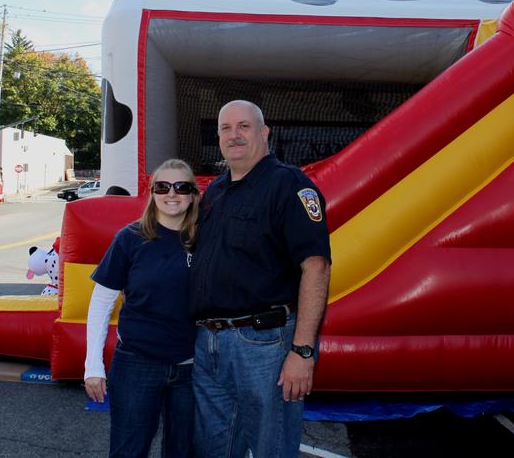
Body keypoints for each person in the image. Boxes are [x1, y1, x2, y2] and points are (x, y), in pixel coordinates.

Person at [190, 100, 332, 458]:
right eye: (226, 128)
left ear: (264, 132)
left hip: (264, 345)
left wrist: (302, 351)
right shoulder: (216, 193)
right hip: (209, 344)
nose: (234, 135)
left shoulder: (289, 185)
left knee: (272, 448)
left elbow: (316, 267)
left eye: (244, 126)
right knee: (215, 449)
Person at [84, 158, 200, 458]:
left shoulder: (206, 239)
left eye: (181, 187)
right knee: (129, 451)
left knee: (183, 452)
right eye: (163, 186)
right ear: (152, 192)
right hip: (137, 364)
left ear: (193, 194)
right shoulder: (130, 238)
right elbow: (100, 304)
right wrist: (92, 367)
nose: (172, 194)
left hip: (192, 368)